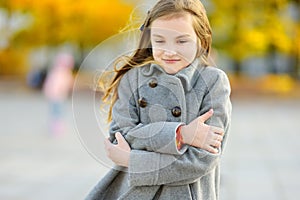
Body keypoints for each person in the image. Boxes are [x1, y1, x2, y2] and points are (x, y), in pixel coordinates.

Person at [86, 0, 231, 199]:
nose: (170, 51)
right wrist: (181, 135)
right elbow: (121, 136)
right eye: (160, 40)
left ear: (201, 40)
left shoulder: (213, 82)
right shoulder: (133, 79)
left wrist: (132, 160)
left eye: (181, 41)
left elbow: (201, 160)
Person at [43, 52, 74, 136]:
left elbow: (49, 83)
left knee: (56, 112)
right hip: (58, 95)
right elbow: (68, 83)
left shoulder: (55, 71)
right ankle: (57, 127)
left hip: (55, 95)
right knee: (58, 112)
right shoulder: (64, 72)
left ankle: (55, 127)